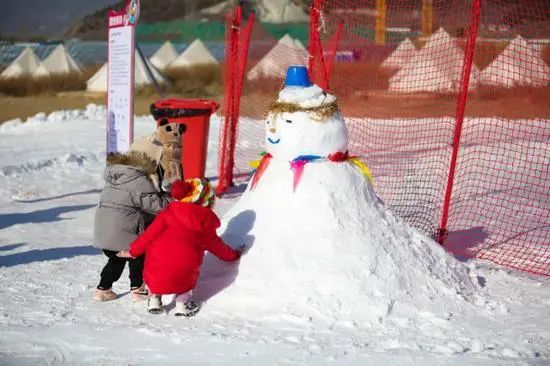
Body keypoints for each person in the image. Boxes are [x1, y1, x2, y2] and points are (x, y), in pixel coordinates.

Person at [118, 178, 245, 317]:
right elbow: (217, 246)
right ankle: (182, 304)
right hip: (184, 273)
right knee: (186, 279)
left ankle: (154, 300)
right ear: (207, 201)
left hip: (157, 269)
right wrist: (233, 255)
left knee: (154, 271)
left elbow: (148, 236)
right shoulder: (204, 223)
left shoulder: (166, 214)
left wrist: (132, 251)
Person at [93, 151, 176, 302]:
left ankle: (103, 289)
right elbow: (155, 206)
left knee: (116, 259)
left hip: (104, 231)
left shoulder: (113, 179)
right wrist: (171, 199)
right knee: (138, 254)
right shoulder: (138, 180)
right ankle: (138, 290)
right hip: (123, 231)